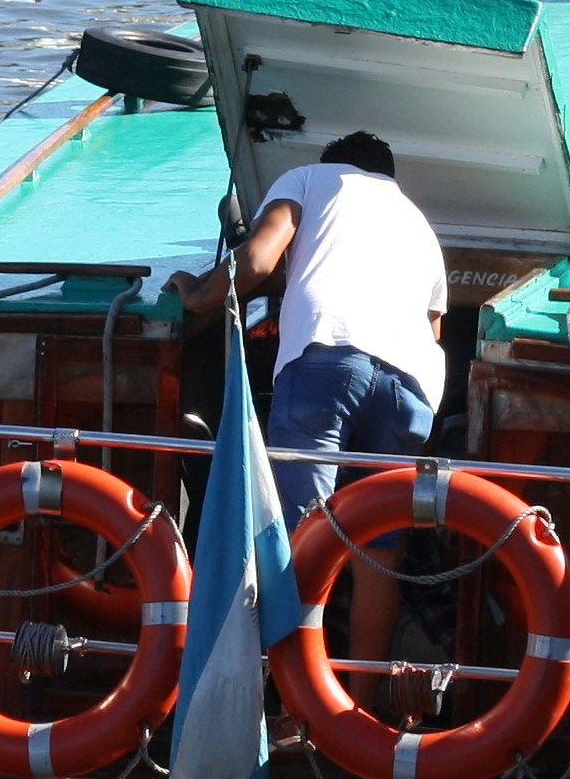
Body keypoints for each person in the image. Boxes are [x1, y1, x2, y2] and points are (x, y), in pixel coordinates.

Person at [174, 130, 448, 685]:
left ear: (333, 164)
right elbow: (435, 329)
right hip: (413, 386)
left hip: (326, 361)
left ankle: (296, 706)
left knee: (302, 537)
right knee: (380, 551)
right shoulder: (419, 222)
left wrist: (197, 295)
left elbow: (254, 260)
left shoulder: (309, 179)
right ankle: (353, 714)